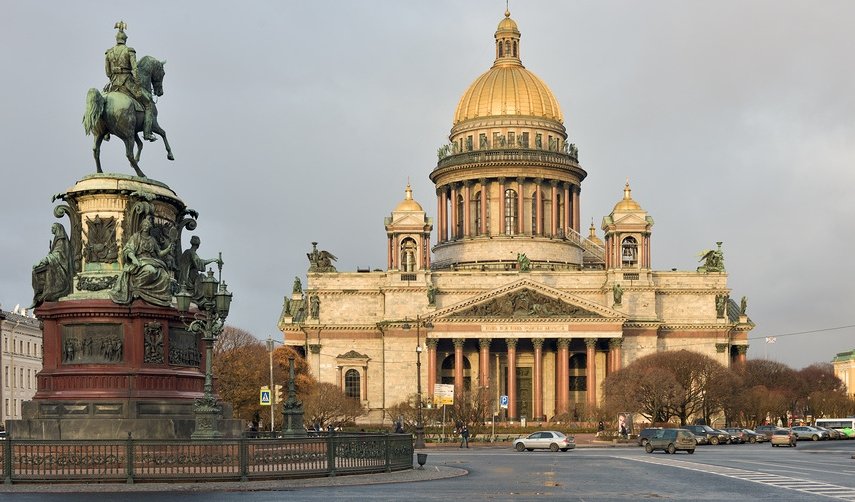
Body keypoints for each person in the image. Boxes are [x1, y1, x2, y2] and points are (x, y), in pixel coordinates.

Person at [105, 22, 156, 141]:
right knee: (148, 104)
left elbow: (107, 72)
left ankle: (106, 132)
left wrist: (113, 78)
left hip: (113, 83)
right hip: (127, 83)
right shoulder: (129, 51)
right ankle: (147, 133)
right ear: (125, 40)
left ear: (116, 39)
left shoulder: (109, 53)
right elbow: (135, 69)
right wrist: (137, 83)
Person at [110, 217, 175, 307]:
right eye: (144, 225)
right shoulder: (136, 237)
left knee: (165, 276)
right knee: (151, 271)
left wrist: (168, 249)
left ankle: (163, 299)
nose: (146, 227)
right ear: (141, 226)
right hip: (140, 261)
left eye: (147, 225)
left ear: (150, 227)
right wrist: (134, 259)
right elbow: (128, 250)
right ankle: (137, 289)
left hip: (151, 260)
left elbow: (159, 253)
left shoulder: (152, 240)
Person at [31, 223, 71, 307]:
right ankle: (39, 295)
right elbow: (54, 254)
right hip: (55, 263)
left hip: (60, 266)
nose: (51, 229)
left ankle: (48, 293)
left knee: (44, 271)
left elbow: (58, 255)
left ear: (57, 229)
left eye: (53, 228)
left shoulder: (61, 239)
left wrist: (43, 261)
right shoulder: (57, 239)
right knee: (35, 272)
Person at [178, 235, 221, 301]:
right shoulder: (191, 252)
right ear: (198, 245)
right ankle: (200, 297)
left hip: (183, 277)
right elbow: (199, 263)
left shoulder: (187, 252)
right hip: (189, 278)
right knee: (202, 278)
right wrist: (213, 260)